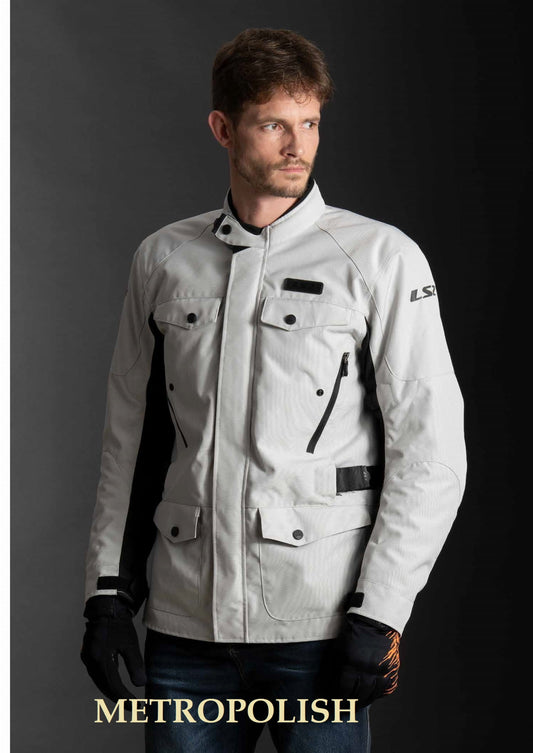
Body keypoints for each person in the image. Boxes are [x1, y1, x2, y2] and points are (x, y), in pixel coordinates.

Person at [80, 27, 467, 753]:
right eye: (273, 125)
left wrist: (380, 614)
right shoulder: (163, 260)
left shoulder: (379, 258)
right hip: (185, 631)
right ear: (223, 129)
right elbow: (131, 441)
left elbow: (432, 453)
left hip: (320, 628)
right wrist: (108, 594)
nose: (298, 145)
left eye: (309, 123)